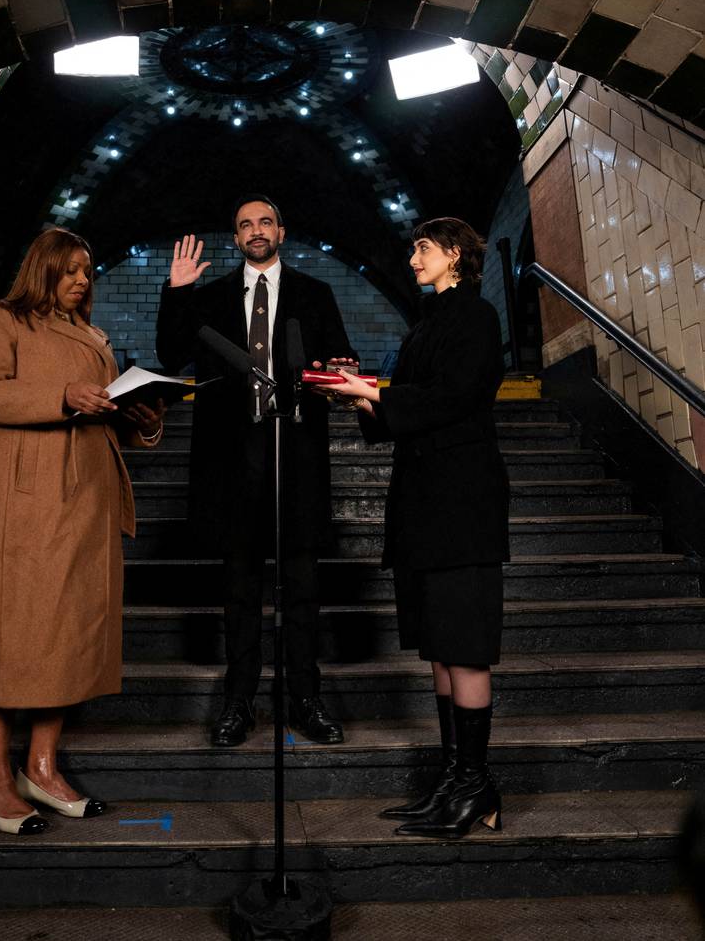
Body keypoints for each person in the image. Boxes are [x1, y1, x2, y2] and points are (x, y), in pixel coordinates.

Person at [0, 228, 164, 835]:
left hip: (84, 497)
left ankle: (41, 766)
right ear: (42, 268)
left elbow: (102, 410)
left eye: (87, 271)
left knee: (67, 626)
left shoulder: (93, 337)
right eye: (69, 269)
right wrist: (63, 394)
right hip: (19, 495)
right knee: (6, 624)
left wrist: (141, 417)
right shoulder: (1, 317)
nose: (81, 279)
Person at [325, 217, 509, 839]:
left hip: (462, 502)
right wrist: (363, 399)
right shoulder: (429, 322)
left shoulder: (475, 318)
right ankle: (453, 780)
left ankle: (477, 782)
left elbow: (454, 398)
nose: (411, 258)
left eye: (422, 248)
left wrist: (380, 395)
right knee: (437, 644)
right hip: (425, 503)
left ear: (454, 253)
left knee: (465, 644)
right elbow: (410, 403)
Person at [156, 195, 356, 747]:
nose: (256, 230)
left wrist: (338, 373)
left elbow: (340, 359)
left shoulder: (316, 294)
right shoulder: (212, 297)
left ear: (282, 232)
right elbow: (170, 355)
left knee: (302, 589)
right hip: (231, 464)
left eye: (265, 221)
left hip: (297, 460)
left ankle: (307, 700)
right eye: (245, 225)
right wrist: (176, 291)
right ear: (236, 238)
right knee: (240, 591)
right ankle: (238, 703)